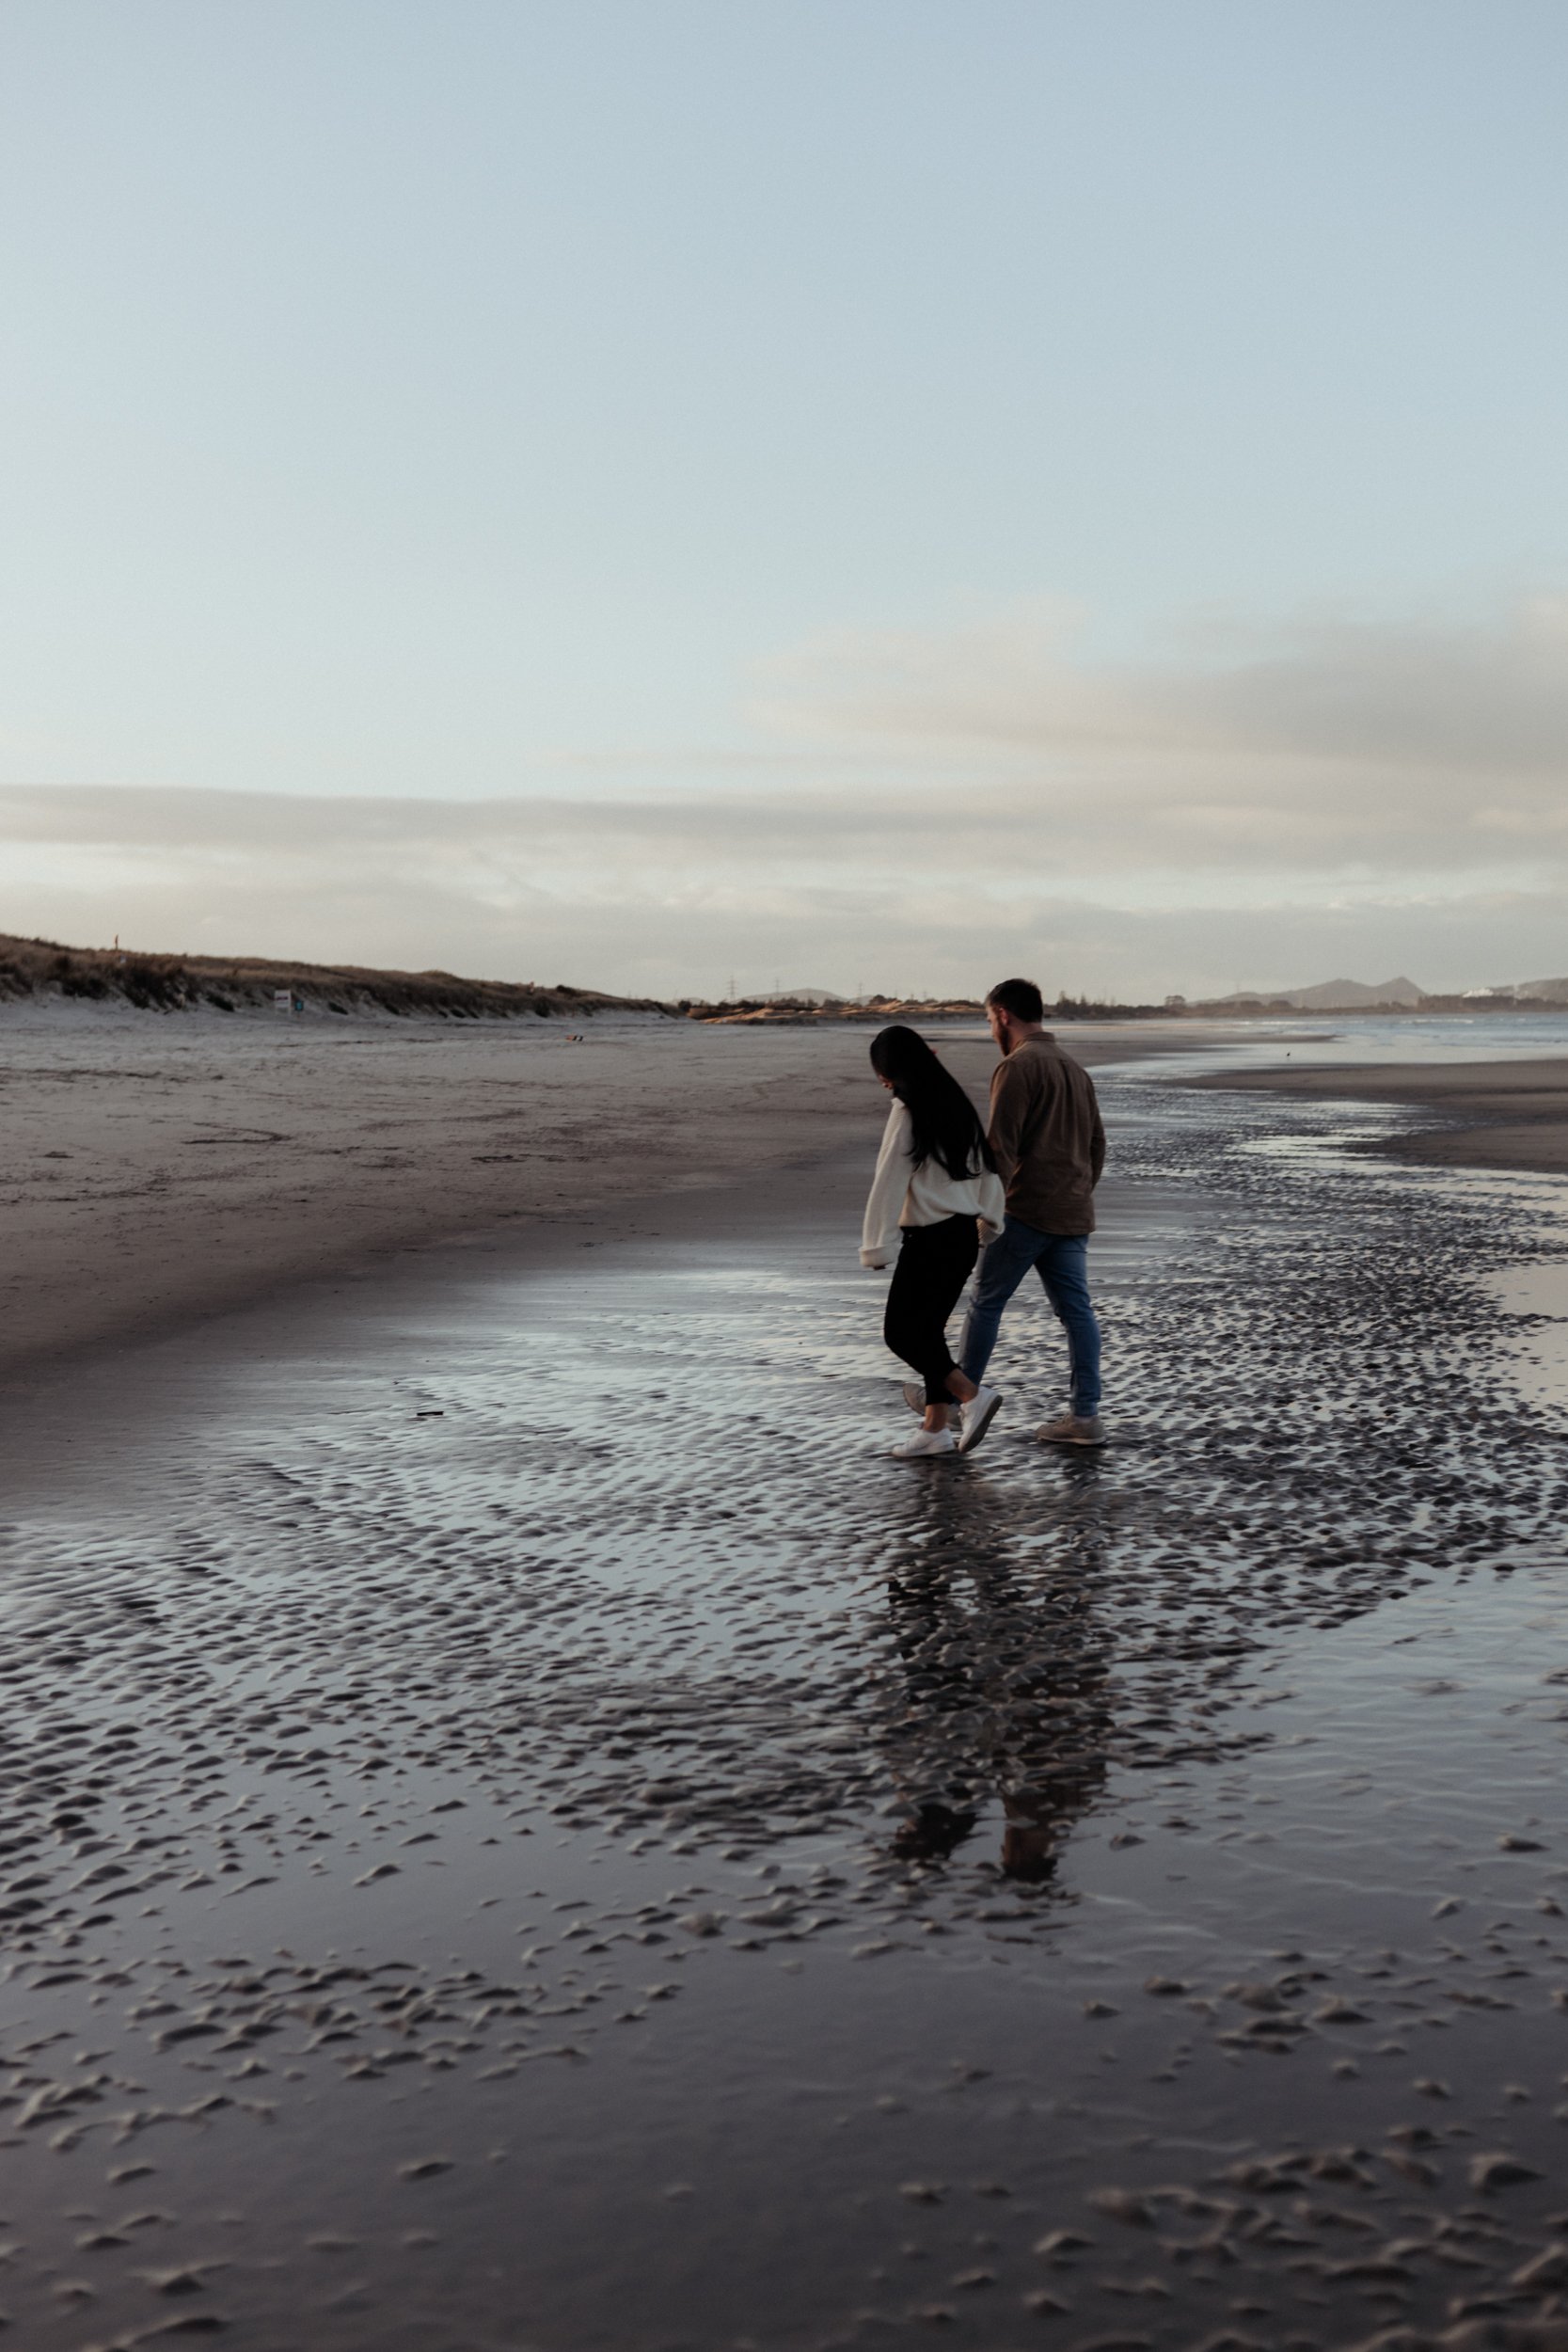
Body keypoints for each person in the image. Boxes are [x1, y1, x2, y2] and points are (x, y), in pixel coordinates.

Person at [956, 977, 1106, 1445]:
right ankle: (1084, 1418)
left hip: (1024, 1210)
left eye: (988, 1020)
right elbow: (1097, 1145)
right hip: (1072, 1210)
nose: (990, 1030)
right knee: (1077, 1312)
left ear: (1003, 1015)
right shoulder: (1074, 1069)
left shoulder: (1017, 1067)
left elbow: (1001, 1148)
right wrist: (1078, 1189)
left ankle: (958, 1399)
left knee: (985, 1302)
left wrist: (984, 1210)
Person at [862, 1025, 1007, 1460]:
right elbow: (988, 1169)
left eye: (883, 1075)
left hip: (930, 1241)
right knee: (927, 1333)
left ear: (894, 1073)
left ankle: (971, 1396)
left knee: (900, 1334)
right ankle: (935, 1430)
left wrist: (878, 1246)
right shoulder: (957, 1106)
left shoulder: (908, 1112)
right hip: (962, 1237)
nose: (884, 1083)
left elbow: (889, 1180)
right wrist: (991, 1219)